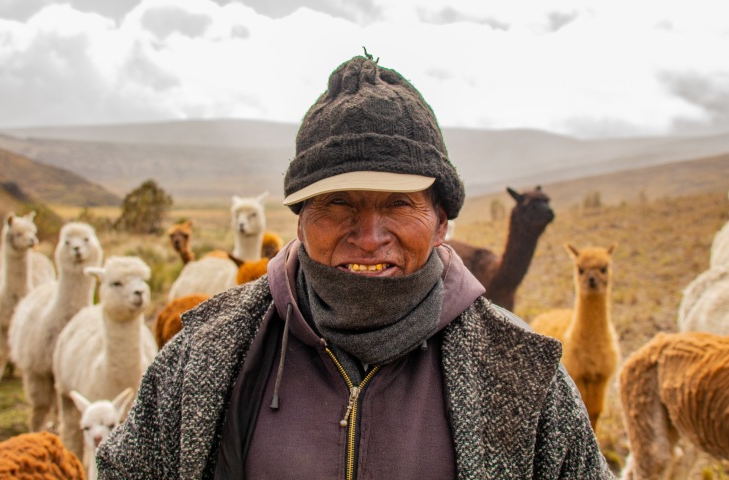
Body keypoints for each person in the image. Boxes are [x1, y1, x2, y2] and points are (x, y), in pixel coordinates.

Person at [97, 53, 613, 479]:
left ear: (441, 222)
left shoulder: (520, 374)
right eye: (337, 203)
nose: (368, 237)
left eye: (398, 203)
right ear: (301, 222)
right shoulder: (205, 356)